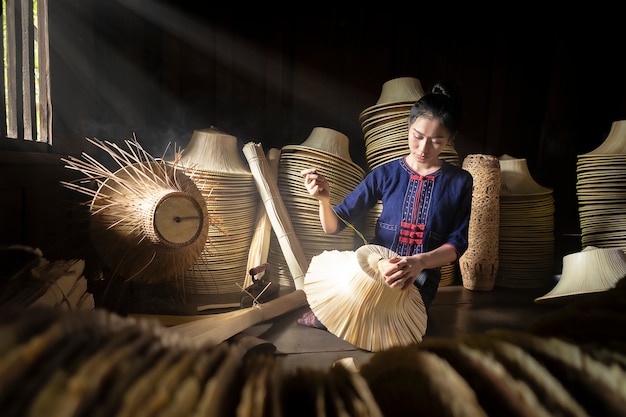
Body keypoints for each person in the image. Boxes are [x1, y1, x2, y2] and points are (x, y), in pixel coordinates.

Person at [297, 81, 473, 329]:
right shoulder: (385, 173)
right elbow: (334, 226)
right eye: (418, 136)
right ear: (409, 126)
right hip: (375, 267)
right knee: (360, 319)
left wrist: (420, 262)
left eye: (436, 140)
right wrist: (324, 200)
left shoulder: (460, 181)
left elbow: (457, 243)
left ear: (450, 139)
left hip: (422, 276)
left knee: (396, 328)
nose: (423, 148)